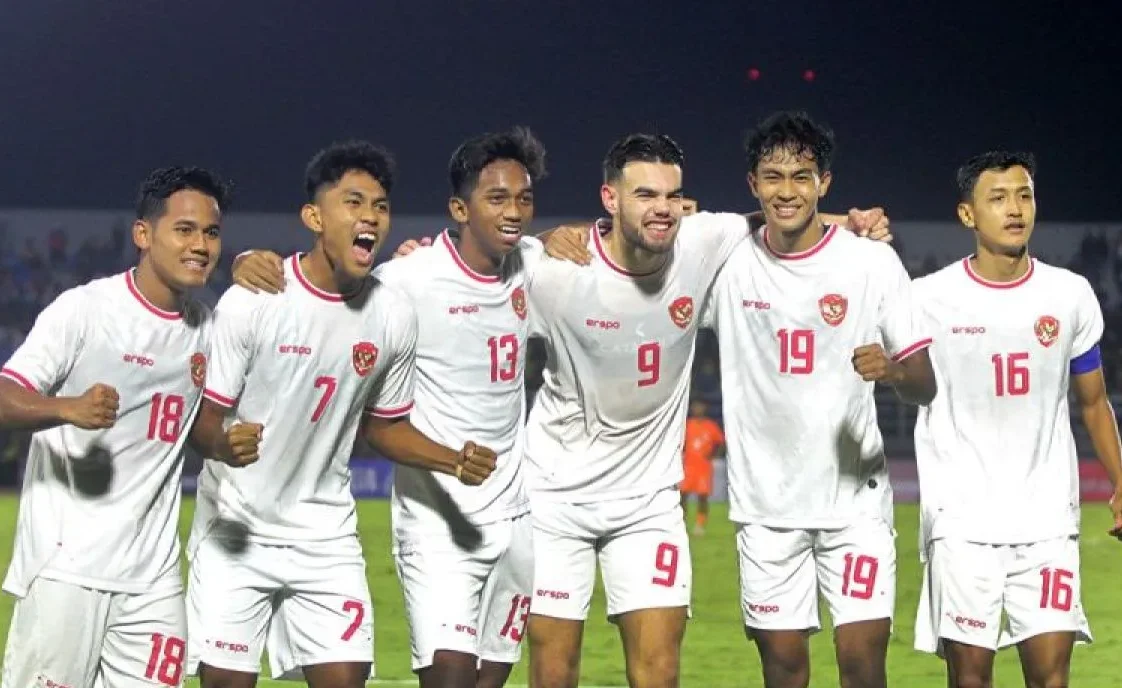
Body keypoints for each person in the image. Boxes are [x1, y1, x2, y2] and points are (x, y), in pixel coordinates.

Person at [522, 132, 894, 688]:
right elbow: (474, 271)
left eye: (673, 195)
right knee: (554, 672)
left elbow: (780, 214)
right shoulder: (553, 270)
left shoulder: (702, 241)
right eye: (645, 194)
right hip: (555, 496)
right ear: (609, 199)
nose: (663, 208)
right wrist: (419, 252)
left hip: (648, 502)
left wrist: (852, 223)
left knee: (660, 672)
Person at [229, 128, 562, 688]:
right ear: (460, 207)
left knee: (493, 676)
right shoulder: (408, 279)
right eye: (497, 198)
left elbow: (591, 244)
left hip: (515, 517)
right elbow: (329, 284)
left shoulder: (532, 261)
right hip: (436, 520)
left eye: (523, 198)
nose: (514, 212)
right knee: (450, 674)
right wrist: (248, 262)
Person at [185, 140, 496, 688]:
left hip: (325, 537)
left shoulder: (392, 313)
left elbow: (386, 428)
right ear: (313, 217)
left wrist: (453, 459)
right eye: (353, 202)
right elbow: (203, 420)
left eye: (379, 205)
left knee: (346, 678)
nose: (370, 216)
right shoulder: (255, 300)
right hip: (237, 531)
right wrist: (224, 441)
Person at [699, 111, 935, 688]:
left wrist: (892, 370)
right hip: (766, 510)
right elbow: (648, 229)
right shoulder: (725, 265)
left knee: (861, 667)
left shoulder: (871, 260)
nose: (787, 190)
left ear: (824, 183)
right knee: (784, 671)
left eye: (801, 176)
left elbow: (926, 383)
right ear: (753, 184)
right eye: (773, 176)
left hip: (854, 505)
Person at [0, 166, 229, 688]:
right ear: (144, 235)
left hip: (154, 577)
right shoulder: (84, 311)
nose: (201, 245)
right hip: (67, 571)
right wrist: (64, 408)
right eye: (185, 229)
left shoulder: (209, 327)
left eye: (212, 233)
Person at [911, 151, 1122, 688]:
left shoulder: (1069, 293)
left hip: (1046, 519)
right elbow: (906, 379)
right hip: (961, 523)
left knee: (1050, 679)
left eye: (1024, 195)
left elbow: (1094, 401)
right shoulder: (929, 298)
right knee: (970, 680)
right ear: (967, 214)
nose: (1014, 209)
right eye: (998, 197)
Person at [679, 398, 723, 535]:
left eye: (700, 407)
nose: (697, 409)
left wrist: (714, 455)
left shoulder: (711, 426)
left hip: (703, 467)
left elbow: (721, 442)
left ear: (704, 409)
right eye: (695, 407)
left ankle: (700, 525)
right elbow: (679, 441)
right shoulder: (687, 425)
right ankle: (682, 523)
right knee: (682, 495)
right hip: (688, 466)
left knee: (702, 497)